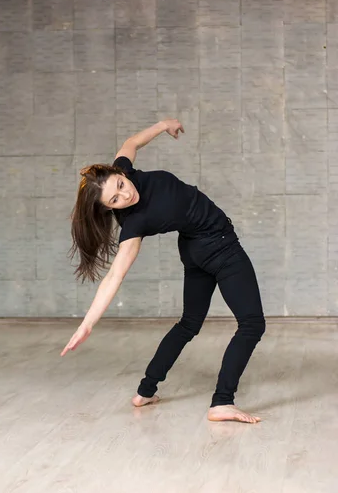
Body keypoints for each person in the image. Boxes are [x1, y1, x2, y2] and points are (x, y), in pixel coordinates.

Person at [61, 119, 265, 424]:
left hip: (195, 250)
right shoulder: (134, 224)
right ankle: (222, 401)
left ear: (120, 172)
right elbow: (115, 275)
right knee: (252, 324)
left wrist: (163, 125)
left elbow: (131, 142)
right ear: (110, 209)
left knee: (188, 324)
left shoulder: (125, 171)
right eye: (114, 200)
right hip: (221, 247)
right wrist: (87, 324)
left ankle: (145, 390)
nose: (124, 195)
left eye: (120, 185)